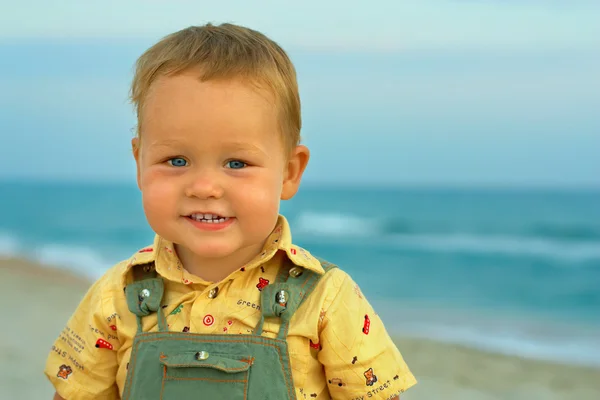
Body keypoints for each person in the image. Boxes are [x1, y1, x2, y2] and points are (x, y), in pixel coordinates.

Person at [45, 23, 417, 399]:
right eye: (176, 160)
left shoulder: (324, 299)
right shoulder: (117, 296)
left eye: (236, 163)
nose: (204, 187)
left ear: (289, 173)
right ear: (139, 163)